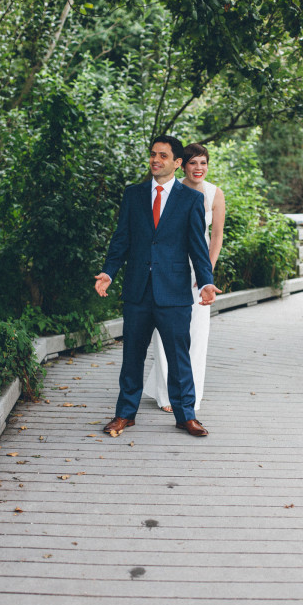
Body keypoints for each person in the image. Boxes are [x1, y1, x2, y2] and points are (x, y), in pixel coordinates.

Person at [94, 135, 221, 437]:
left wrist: (206, 282)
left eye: (163, 156)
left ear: (177, 163)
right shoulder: (133, 194)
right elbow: (121, 239)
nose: (155, 160)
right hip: (138, 290)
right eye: (153, 154)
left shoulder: (191, 199)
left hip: (175, 291)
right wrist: (108, 272)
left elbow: (197, 247)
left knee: (179, 357)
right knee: (132, 357)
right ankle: (125, 414)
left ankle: (185, 416)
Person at [144, 143, 226, 413]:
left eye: (203, 163)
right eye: (193, 163)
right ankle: (167, 394)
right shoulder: (170, 190)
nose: (198, 168)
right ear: (181, 164)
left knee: (198, 332)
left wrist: (205, 275)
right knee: (166, 329)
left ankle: (193, 395)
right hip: (169, 268)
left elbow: (215, 238)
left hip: (199, 270)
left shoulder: (215, 194)